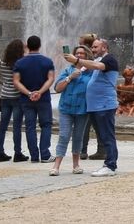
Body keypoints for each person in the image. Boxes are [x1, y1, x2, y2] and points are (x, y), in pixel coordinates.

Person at [66, 36, 120, 176]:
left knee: (107, 135)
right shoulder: (97, 60)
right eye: (92, 47)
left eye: (96, 47)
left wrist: (76, 60)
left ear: (104, 47)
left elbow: (97, 66)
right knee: (103, 135)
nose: (93, 49)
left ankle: (110, 165)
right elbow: (90, 66)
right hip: (96, 106)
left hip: (104, 105)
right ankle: (108, 164)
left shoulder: (109, 59)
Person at [12, 34, 55, 163]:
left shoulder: (19, 62)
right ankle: (45, 154)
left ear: (27, 46)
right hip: (44, 98)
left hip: (26, 99)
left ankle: (34, 156)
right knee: (46, 125)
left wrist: (29, 93)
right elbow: (51, 79)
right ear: (40, 45)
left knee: (30, 127)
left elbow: (16, 81)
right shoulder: (47, 61)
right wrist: (40, 92)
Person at [49, 44, 91, 175]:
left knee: (78, 136)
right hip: (66, 108)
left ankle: (76, 165)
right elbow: (57, 88)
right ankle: (56, 166)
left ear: (87, 56)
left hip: (82, 109)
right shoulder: (67, 70)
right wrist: (70, 78)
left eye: (82, 53)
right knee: (64, 135)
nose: (79, 55)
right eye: (77, 53)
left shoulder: (91, 71)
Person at [0, 38, 24, 162]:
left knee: (2, 126)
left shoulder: (2, 62)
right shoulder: (21, 63)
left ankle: (0, 153)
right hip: (17, 96)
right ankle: (18, 153)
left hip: (5, 95)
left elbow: (1, 77)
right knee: (17, 126)